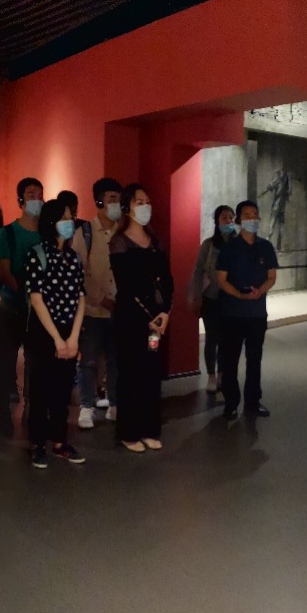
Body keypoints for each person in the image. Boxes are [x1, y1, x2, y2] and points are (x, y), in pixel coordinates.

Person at [109, 184, 172, 453]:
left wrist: (165, 312)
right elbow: (126, 285)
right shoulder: (119, 242)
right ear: (127, 208)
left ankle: (149, 428)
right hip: (131, 319)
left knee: (151, 372)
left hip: (157, 321)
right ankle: (128, 432)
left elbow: (167, 279)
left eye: (147, 201)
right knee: (131, 373)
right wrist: (150, 315)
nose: (145, 206)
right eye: (139, 202)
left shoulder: (154, 241)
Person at [24, 199, 87, 469]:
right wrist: (57, 339)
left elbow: (81, 297)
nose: (70, 222)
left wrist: (73, 337)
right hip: (43, 331)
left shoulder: (73, 257)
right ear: (51, 222)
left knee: (62, 390)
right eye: (64, 218)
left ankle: (60, 441)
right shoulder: (37, 254)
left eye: (71, 217)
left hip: (68, 329)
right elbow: (36, 298)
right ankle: (37, 443)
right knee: (40, 390)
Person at [215, 200, 278, 421]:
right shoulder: (229, 248)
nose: (252, 219)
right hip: (232, 314)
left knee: (254, 360)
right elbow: (221, 279)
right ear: (239, 220)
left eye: (255, 215)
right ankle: (231, 403)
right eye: (247, 215)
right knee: (230, 360)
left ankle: (253, 401)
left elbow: (272, 276)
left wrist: (260, 291)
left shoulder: (265, 247)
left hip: (256, 314)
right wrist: (239, 295)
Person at [0, 177, 44, 437]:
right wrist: (24, 295)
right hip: (11, 306)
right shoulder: (8, 233)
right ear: (20, 200)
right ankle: (3, 410)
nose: (36, 199)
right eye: (31, 194)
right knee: (7, 359)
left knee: (35, 362)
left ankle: (32, 409)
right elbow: (4, 271)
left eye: (40, 194)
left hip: (39, 310)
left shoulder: (46, 232)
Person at [72, 178, 122, 429]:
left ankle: (114, 403)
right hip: (93, 310)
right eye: (112, 198)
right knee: (88, 361)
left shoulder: (124, 232)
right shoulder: (85, 233)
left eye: (119, 199)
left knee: (116, 360)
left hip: (119, 311)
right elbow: (79, 271)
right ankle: (86, 406)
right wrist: (101, 298)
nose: (117, 204)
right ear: (99, 201)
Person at [188, 204, 237, 397]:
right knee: (212, 338)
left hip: (231, 299)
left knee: (227, 340)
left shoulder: (239, 244)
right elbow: (198, 271)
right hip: (211, 297)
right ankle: (211, 376)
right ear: (217, 221)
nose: (228, 221)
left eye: (231, 218)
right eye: (224, 217)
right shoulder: (209, 245)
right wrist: (196, 296)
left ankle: (222, 374)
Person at [258, 169, 290, 251]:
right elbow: (288, 194)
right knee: (280, 225)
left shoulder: (278, 181)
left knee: (272, 224)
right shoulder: (286, 184)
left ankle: (268, 242)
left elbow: (269, 187)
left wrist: (261, 194)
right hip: (282, 207)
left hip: (276, 207)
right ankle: (278, 245)